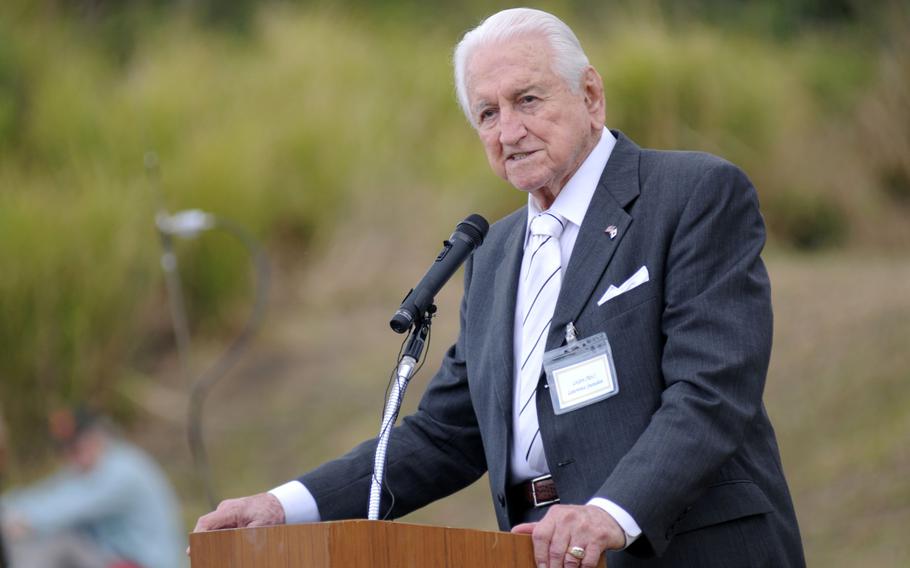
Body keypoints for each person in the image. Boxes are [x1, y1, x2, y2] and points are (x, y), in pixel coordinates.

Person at [194, 8, 805, 567]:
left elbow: (710, 393)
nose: (509, 130)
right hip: (537, 550)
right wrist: (284, 508)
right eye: (488, 113)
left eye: (528, 99)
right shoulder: (492, 257)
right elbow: (445, 435)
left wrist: (609, 513)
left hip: (688, 547)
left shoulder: (692, 194)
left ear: (590, 94)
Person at [1, 407, 185, 568]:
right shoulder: (90, 468)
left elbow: (62, 511)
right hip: (117, 558)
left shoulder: (122, 473)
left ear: (96, 437)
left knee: (57, 540)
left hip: (144, 563)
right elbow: (49, 493)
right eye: (65, 449)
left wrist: (21, 519)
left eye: (76, 447)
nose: (71, 456)